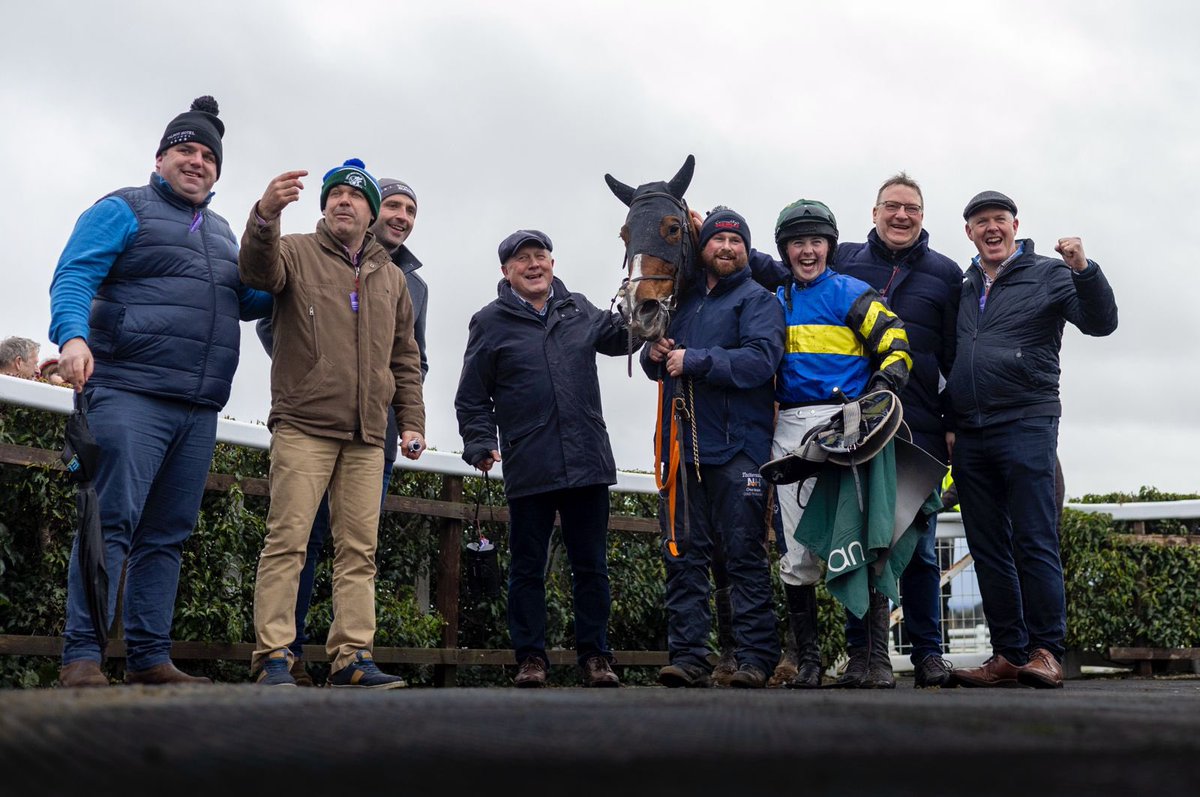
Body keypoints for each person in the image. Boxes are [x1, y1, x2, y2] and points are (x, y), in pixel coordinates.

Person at [48, 96, 272, 687]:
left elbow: (254, 298)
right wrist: (72, 336)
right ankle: (81, 657)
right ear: (160, 158)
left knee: (168, 535)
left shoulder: (223, 234)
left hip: (198, 407)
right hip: (130, 391)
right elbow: (75, 273)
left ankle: (150, 658)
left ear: (217, 171)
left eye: (208, 156)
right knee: (110, 521)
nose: (197, 162)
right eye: (185, 150)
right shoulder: (123, 208)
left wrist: (308, 267)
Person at [239, 158, 425, 689]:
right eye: (335, 194)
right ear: (324, 206)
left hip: (369, 434)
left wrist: (411, 421)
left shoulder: (393, 279)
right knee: (288, 542)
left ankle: (352, 657)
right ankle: (274, 656)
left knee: (359, 552)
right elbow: (255, 272)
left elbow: (405, 358)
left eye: (356, 196)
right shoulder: (293, 251)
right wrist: (265, 216)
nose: (345, 201)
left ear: (371, 213)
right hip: (304, 423)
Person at [455, 229, 639, 688]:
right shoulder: (489, 322)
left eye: (540, 256)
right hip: (529, 461)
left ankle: (596, 657)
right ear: (506, 271)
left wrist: (645, 299)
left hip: (587, 459)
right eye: (522, 259)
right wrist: (479, 442)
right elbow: (472, 397)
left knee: (591, 568)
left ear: (553, 264)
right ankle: (531, 659)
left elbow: (626, 336)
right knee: (526, 569)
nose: (533, 264)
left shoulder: (580, 308)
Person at [948, 191, 1117, 690]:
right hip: (971, 430)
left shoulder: (1049, 272)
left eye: (999, 219)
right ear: (969, 232)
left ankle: (1046, 651)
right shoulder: (965, 284)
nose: (991, 228)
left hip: (1026, 420)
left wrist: (1084, 269)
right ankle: (1008, 653)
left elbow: (1102, 323)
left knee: (1034, 538)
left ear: (1015, 225)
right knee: (986, 546)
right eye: (981, 222)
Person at [764, 199, 912, 689]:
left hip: (847, 428)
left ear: (829, 246)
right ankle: (808, 661)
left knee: (862, 540)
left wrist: (882, 390)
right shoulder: (774, 301)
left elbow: (895, 342)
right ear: (785, 250)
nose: (807, 251)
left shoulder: (851, 292)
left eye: (816, 242)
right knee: (797, 550)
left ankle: (874, 660)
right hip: (790, 429)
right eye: (797, 243)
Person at [829, 173, 963, 689]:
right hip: (857, 423)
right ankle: (862, 657)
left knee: (921, 546)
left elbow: (954, 359)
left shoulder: (945, 274)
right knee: (858, 539)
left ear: (923, 216)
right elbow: (787, 268)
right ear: (874, 212)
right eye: (891, 206)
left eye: (911, 208)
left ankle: (929, 654)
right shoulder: (844, 261)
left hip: (920, 424)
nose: (901, 215)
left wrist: (952, 423)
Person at [643, 208, 785, 690]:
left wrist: (695, 360)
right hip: (682, 449)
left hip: (739, 448)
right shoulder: (679, 301)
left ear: (746, 249)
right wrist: (654, 354)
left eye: (736, 241)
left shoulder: (759, 301)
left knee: (744, 554)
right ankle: (689, 657)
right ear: (703, 248)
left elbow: (761, 361)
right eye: (718, 240)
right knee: (682, 555)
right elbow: (656, 360)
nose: (726, 248)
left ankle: (756, 658)